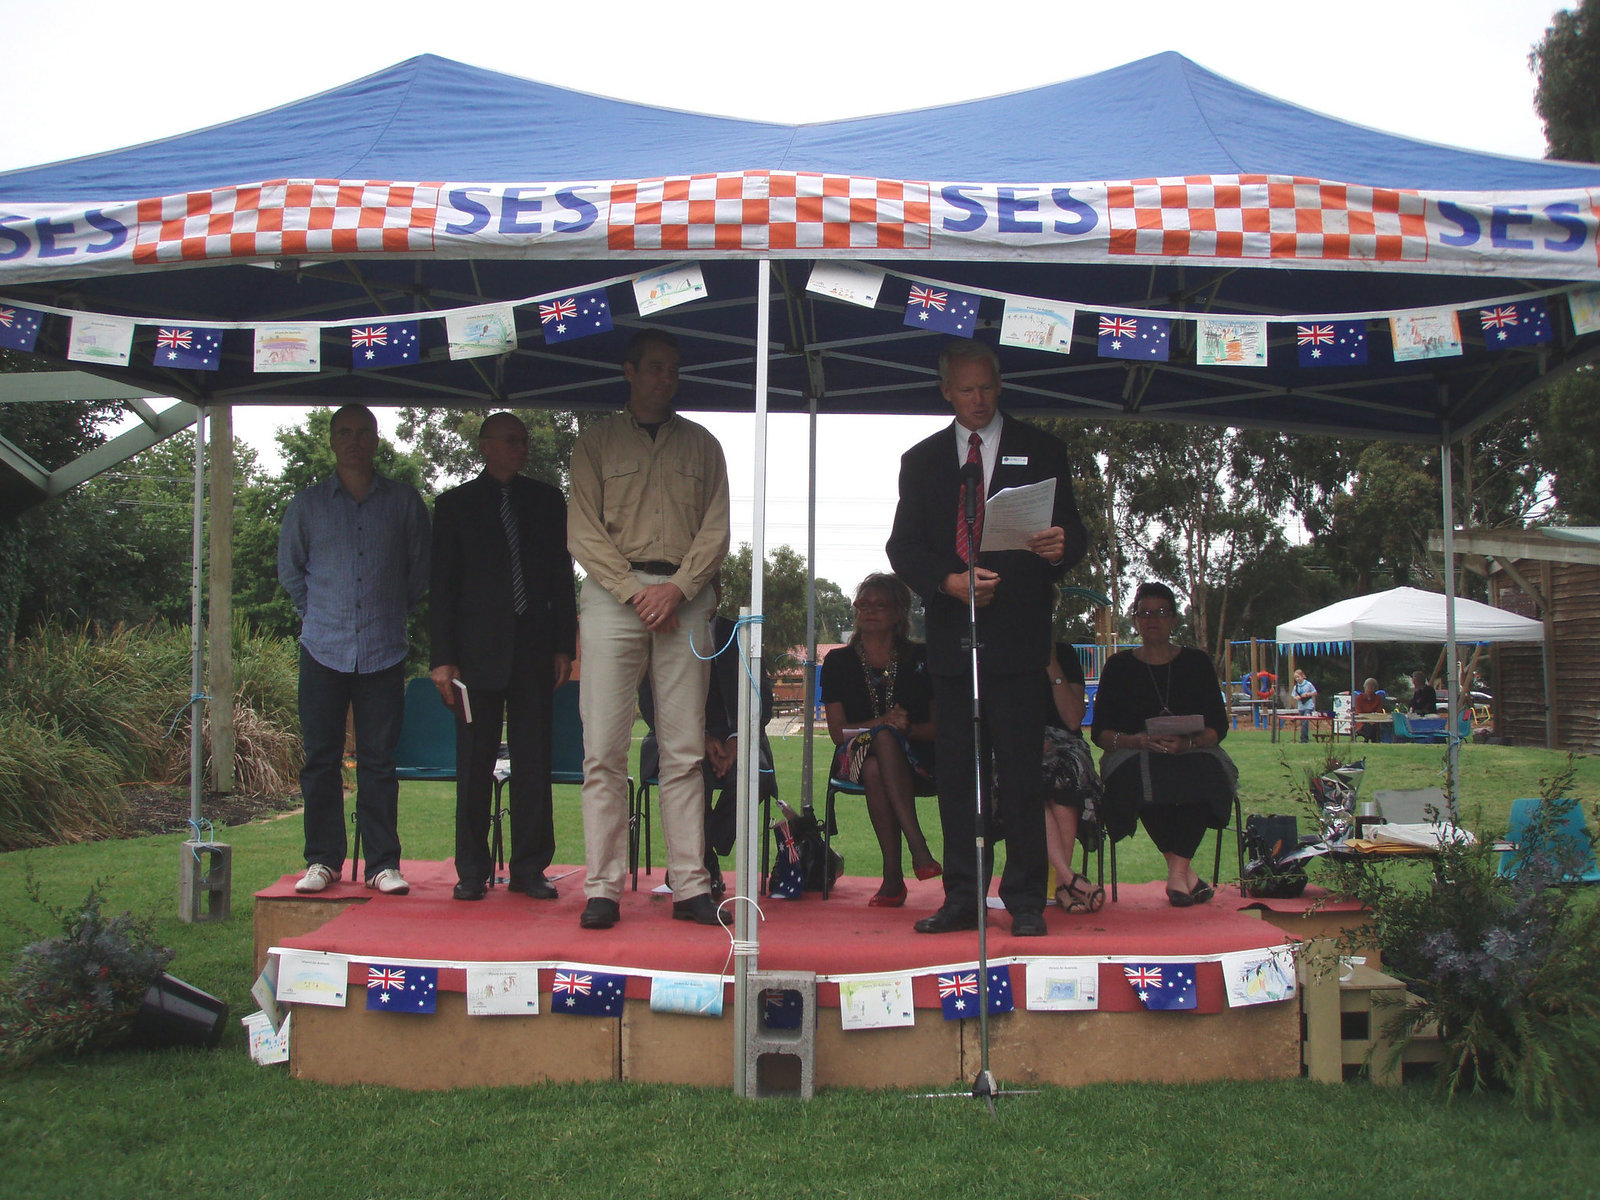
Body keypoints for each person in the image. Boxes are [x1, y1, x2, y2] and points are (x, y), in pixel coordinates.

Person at [887, 338, 1088, 937]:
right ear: (946, 390)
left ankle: (1025, 897)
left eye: (988, 388)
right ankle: (962, 895)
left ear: (1000, 386)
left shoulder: (1043, 448)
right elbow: (903, 547)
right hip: (953, 642)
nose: (978, 400)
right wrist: (947, 582)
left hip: (1020, 639)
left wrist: (1062, 546)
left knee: (1022, 773)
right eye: (967, 389)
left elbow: (1073, 533)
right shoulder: (921, 460)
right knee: (957, 775)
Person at [567, 329, 731, 929]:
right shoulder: (596, 441)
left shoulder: (704, 445)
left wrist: (677, 589)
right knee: (603, 749)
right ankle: (604, 886)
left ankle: (690, 883)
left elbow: (716, 532)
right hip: (615, 598)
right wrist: (637, 591)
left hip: (685, 598)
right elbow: (582, 532)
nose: (666, 378)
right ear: (630, 371)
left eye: (673, 369)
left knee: (685, 748)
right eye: (655, 367)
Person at [278, 404, 430, 896]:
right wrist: (319, 615)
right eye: (344, 432)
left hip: (384, 648)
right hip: (322, 647)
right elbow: (291, 572)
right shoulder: (306, 506)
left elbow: (418, 573)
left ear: (376, 439)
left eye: (363, 432)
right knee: (320, 759)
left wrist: (386, 611)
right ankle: (322, 861)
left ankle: (382, 864)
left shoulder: (405, 503)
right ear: (331, 441)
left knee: (379, 762)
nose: (354, 441)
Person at [429, 412, 577, 902]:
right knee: (474, 763)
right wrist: (442, 659)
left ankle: (529, 868)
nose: (521, 448)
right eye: (511, 440)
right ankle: (472, 869)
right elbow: (442, 588)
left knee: (534, 761)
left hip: (535, 653)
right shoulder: (455, 506)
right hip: (473, 657)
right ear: (485, 446)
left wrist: (564, 645)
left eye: (524, 440)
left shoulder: (546, 501)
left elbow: (561, 577)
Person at [1091, 582, 1237, 908]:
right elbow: (1100, 732)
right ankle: (1183, 875)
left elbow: (1218, 726)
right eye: (1145, 613)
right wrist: (1135, 740)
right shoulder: (1119, 666)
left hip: (1192, 749)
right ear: (1135, 620)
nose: (1152, 619)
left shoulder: (1196, 663)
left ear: (1173, 619)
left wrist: (1189, 743)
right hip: (1134, 752)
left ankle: (1178, 874)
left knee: (1206, 773)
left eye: (1160, 612)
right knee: (1139, 779)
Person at [638, 577, 777, 899]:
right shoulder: (661, 629)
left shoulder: (742, 634)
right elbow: (649, 702)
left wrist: (735, 740)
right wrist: (696, 736)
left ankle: (700, 852)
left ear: (717, 591)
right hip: (679, 737)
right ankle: (702, 864)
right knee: (690, 774)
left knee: (754, 775)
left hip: (736, 739)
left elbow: (763, 700)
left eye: (707, 587)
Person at [821, 573, 940, 907]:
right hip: (853, 756)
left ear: (898, 612)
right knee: (882, 740)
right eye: (863, 603)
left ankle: (893, 878)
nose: (869, 610)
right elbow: (836, 733)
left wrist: (904, 730)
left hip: (918, 756)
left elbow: (938, 727)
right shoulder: (838, 662)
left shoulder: (921, 657)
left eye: (879, 604)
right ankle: (918, 848)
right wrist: (882, 723)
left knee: (879, 761)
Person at [1042, 639, 1104, 913]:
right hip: (1015, 742)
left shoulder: (1064, 654)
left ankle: (1061, 884)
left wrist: (1050, 662)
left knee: (1065, 774)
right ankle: (1067, 880)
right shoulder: (1001, 652)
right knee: (1023, 774)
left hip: (1064, 744)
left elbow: (1073, 719)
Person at [1352, 677, 1386, 743]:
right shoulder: (1359, 698)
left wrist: (1373, 719)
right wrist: (1368, 719)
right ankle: (1371, 740)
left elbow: (1379, 711)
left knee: (1373, 727)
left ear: (1375, 688)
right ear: (1365, 687)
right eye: (1368, 687)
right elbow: (1359, 712)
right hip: (1362, 722)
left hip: (1374, 721)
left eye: (1372, 687)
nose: (1370, 689)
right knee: (1371, 728)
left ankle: (1367, 740)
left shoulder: (1378, 698)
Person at [1291, 668, 1317, 742]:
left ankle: (1304, 739)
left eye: (1298, 677)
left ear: (1302, 676)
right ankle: (1304, 737)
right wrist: (1297, 698)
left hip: (1308, 706)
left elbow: (1315, 692)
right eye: (1296, 677)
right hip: (1301, 706)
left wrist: (1308, 694)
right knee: (1302, 723)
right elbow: (1293, 695)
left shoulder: (1308, 684)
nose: (1297, 679)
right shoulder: (1296, 687)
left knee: (1305, 721)